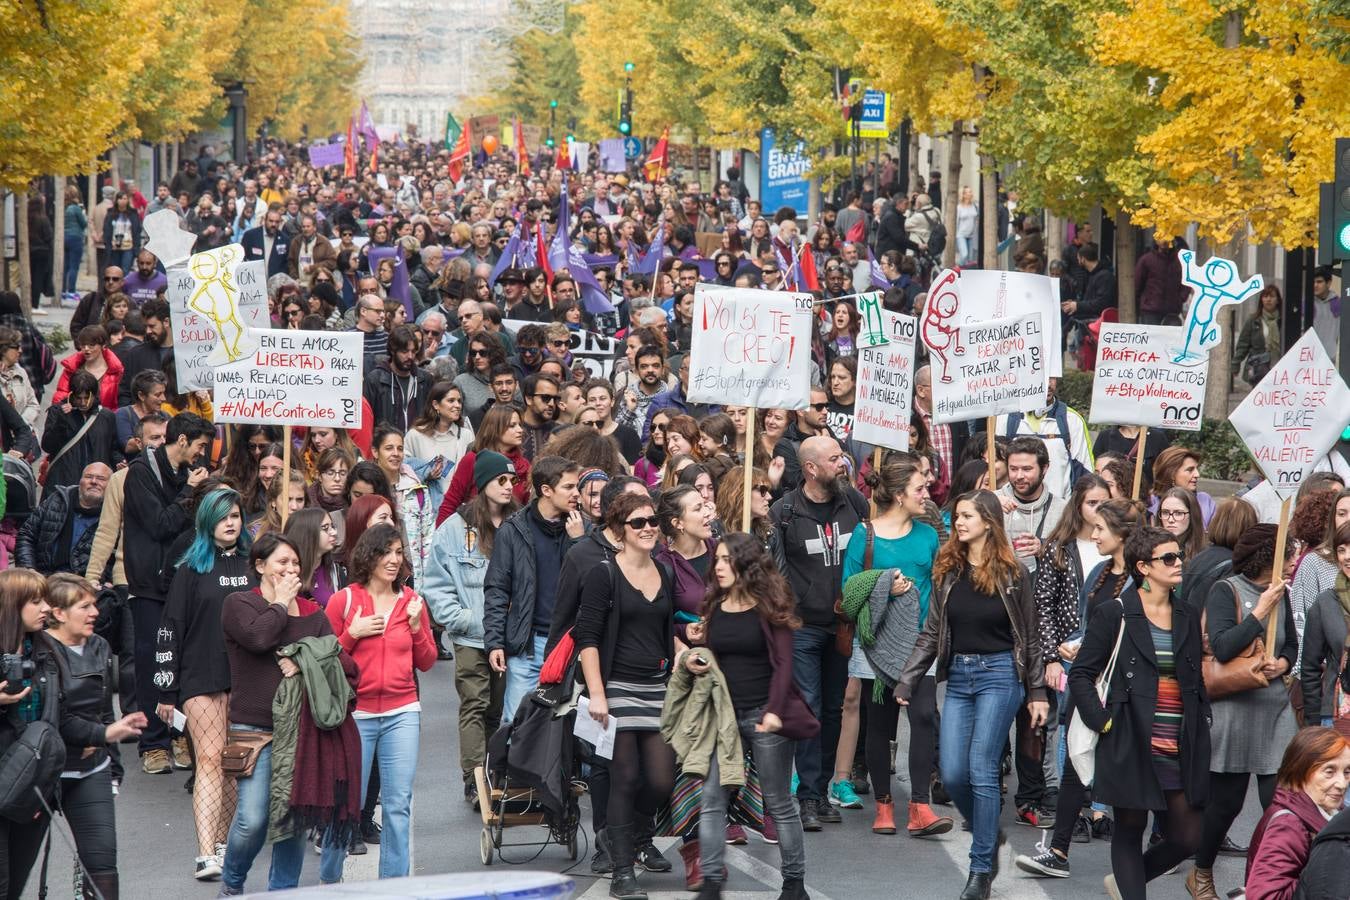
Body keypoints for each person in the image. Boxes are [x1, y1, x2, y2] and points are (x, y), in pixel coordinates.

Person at [895, 490, 1048, 900]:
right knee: (953, 772)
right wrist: (908, 677)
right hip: (960, 677)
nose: (958, 522)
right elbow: (932, 632)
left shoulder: (1014, 573)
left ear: (988, 521)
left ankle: (980, 869)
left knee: (982, 767)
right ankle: (986, 829)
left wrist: (1036, 691)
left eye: (966, 516)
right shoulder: (948, 570)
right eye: (957, 516)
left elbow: (1029, 638)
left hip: (1001, 675)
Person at [1067, 526, 1210, 900]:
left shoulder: (1187, 613)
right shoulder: (1115, 613)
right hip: (1130, 736)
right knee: (1130, 828)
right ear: (1144, 567)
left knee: (1187, 837)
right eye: (1168, 558)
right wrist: (1103, 721)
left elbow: (1194, 677)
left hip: (1179, 742)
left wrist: (1202, 718)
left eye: (1179, 555)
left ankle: (1127, 881)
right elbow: (1081, 674)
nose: (1178, 563)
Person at [1015, 497, 1145, 879]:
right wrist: (1074, 643)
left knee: (1127, 773)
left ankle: (1140, 860)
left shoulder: (1142, 581)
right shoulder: (1100, 573)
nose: (1095, 533)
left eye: (1102, 528)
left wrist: (1088, 645)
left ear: (1122, 534)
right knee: (1074, 764)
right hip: (1088, 685)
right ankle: (1058, 850)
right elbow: (1090, 626)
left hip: (1124, 691)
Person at [681, 533, 815, 900]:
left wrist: (773, 712)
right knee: (711, 799)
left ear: (747, 565)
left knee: (778, 801)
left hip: (765, 717)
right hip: (724, 719)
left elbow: (785, 665)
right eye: (718, 559)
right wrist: (697, 652)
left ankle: (794, 885)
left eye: (727, 560)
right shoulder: (715, 605)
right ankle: (710, 884)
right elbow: (714, 659)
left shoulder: (770, 606)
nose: (719, 566)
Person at [218, 533, 353, 894]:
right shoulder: (239, 603)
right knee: (252, 819)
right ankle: (232, 883)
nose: (291, 569)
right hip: (254, 729)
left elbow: (340, 663)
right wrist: (279, 603)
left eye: (295, 563)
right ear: (260, 566)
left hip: (304, 730)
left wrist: (302, 658)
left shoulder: (314, 614)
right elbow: (259, 639)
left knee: (295, 820)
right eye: (282, 563)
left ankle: (285, 891)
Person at [577, 491, 679, 900]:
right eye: (638, 522)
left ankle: (630, 835)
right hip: (615, 687)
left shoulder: (664, 572)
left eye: (652, 520)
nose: (648, 527)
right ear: (620, 531)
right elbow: (587, 638)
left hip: (656, 687)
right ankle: (622, 871)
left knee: (660, 779)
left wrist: (683, 651)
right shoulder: (604, 574)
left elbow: (664, 629)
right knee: (625, 777)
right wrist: (598, 694)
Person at [1189, 524, 1299, 900]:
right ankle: (1201, 872)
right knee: (1226, 805)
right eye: (1289, 554)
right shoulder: (1226, 590)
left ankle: (1262, 883)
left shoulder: (1282, 593)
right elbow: (1221, 648)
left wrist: (1283, 666)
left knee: (1279, 803)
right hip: (1234, 710)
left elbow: (1292, 648)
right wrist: (1259, 612)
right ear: (1269, 557)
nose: (1293, 562)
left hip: (1274, 711)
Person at [844, 456, 949, 837]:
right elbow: (849, 590)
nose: (928, 492)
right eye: (920, 488)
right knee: (880, 725)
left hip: (920, 644)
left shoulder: (928, 535)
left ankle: (920, 806)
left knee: (923, 717)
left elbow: (939, 587)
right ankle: (884, 805)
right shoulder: (864, 534)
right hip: (876, 645)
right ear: (899, 494)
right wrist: (885, 583)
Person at [326, 524, 436, 879]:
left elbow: (427, 661)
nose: (393, 560)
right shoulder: (344, 600)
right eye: (385, 552)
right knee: (347, 804)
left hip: (402, 711)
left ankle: (394, 886)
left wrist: (418, 627)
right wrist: (351, 635)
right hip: (356, 714)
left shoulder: (412, 602)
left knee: (397, 805)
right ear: (368, 556)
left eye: (398, 552)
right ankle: (329, 877)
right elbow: (324, 660)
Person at [770, 435, 869, 831]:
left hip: (843, 626)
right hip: (803, 627)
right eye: (834, 459)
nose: (843, 463)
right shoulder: (785, 512)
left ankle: (824, 785)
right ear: (810, 469)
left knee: (832, 709)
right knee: (809, 706)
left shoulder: (855, 504)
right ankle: (808, 796)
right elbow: (775, 570)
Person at [154, 487, 252, 880]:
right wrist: (166, 690)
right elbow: (170, 628)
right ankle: (204, 852)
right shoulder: (189, 570)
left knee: (232, 763)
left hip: (244, 676)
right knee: (209, 759)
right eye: (223, 516)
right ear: (208, 521)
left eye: (236, 516)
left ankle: (223, 842)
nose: (231, 523)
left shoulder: (252, 565)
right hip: (199, 674)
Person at [42, 574, 147, 900]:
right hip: (43, 771)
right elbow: (57, 719)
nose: (94, 613)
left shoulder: (100, 646)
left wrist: (114, 766)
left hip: (91, 769)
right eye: (84, 606)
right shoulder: (40, 651)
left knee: (102, 866)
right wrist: (105, 733)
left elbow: (104, 711)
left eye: (93, 605)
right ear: (58, 613)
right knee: (13, 875)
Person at [424, 451, 516, 806]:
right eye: (501, 481)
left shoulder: (519, 523)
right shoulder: (454, 529)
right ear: (483, 484)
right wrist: (465, 619)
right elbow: (436, 586)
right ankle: (474, 779)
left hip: (510, 638)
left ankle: (495, 772)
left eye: (512, 481)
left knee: (499, 708)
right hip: (471, 636)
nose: (509, 487)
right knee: (475, 705)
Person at [122, 411, 212, 774]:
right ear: (183, 441)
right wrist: (189, 492)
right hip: (148, 586)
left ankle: (180, 735)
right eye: (201, 446)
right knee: (151, 664)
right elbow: (160, 525)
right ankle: (153, 743)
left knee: (183, 662)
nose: (203, 454)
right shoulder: (142, 473)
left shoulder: (187, 473)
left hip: (183, 582)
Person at [483, 456, 584, 724]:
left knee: (565, 729)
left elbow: (586, 583)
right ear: (546, 490)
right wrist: (494, 642)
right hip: (527, 647)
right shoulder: (514, 530)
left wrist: (578, 542)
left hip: (568, 645)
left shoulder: (581, 530)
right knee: (518, 727)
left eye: (577, 487)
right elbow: (496, 590)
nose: (576, 494)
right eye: (569, 487)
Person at [1243, 727, 1350, 900]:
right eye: (1329, 772)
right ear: (1300, 772)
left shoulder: (1329, 810)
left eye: (1347, 772)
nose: (1342, 783)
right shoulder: (1289, 825)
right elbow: (1264, 896)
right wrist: (1326, 878)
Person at [996, 379, 1093, 500]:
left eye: (1051, 377)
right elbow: (995, 468)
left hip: (1060, 513)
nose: (1047, 384)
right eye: (1042, 375)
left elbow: (1085, 474)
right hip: (1013, 510)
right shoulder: (1005, 418)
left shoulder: (1072, 419)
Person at [435, 404, 531, 523]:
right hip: (477, 531)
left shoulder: (524, 465)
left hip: (511, 536)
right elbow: (451, 502)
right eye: (512, 425)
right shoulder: (472, 460)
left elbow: (528, 509)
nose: (520, 430)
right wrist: (440, 537)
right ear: (495, 428)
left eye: (520, 425)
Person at [14, 461, 110, 575]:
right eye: (88, 477)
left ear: (111, 484)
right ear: (80, 481)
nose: (94, 482)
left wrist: (103, 579)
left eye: (101, 479)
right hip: (44, 576)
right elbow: (26, 535)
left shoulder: (114, 513)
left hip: (86, 583)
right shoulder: (57, 500)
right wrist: (29, 569)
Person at [41, 370, 122, 490]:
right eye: (79, 398)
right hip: (62, 482)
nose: (83, 403)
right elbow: (47, 446)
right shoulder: (58, 411)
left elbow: (112, 448)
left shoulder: (106, 416)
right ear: (71, 395)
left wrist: (119, 461)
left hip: (95, 484)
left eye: (87, 398)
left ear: (95, 395)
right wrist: (61, 421)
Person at [998, 436, 1068, 573]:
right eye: (1013, 469)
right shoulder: (992, 501)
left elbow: (1072, 558)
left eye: (1027, 469)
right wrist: (988, 505)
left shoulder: (1063, 510)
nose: (1019, 476)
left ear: (1045, 468)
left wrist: (1044, 548)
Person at [284, 507, 345, 610]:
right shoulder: (285, 573)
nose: (334, 532)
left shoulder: (336, 572)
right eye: (325, 528)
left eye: (332, 526)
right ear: (307, 534)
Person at [1150, 446, 1216, 527]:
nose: (1197, 474)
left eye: (1196, 469)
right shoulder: (1150, 503)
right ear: (1171, 474)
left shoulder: (1205, 501)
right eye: (1190, 470)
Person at [1233, 285, 1282, 384]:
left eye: (1272, 296)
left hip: (1279, 368)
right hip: (1258, 368)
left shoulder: (1283, 320)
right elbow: (1243, 344)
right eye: (1265, 296)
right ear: (1261, 300)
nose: (1268, 300)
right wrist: (1235, 364)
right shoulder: (1253, 320)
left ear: (1277, 300)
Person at [1156, 486, 1207, 564]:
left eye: (1178, 513)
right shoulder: (1149, 550)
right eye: (1165, 512)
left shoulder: (1205, 556)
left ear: (1192, 515)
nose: (1170, 520)